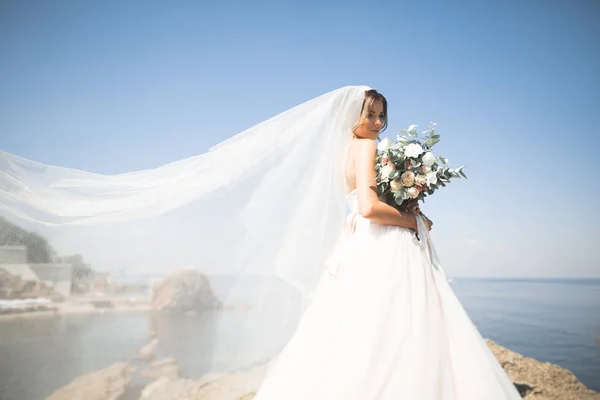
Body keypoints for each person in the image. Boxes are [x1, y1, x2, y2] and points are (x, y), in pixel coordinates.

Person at [251, 89, 522, 399]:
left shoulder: (342, 152)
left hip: (358, 242)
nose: (378, 122)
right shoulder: (367, 146)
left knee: (356, 328)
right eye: (371, 115)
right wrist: (414, 221)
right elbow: (368, 207)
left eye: (382, 115)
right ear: (351, 116)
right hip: (382, 242)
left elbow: (360, 204)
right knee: (400, 324)